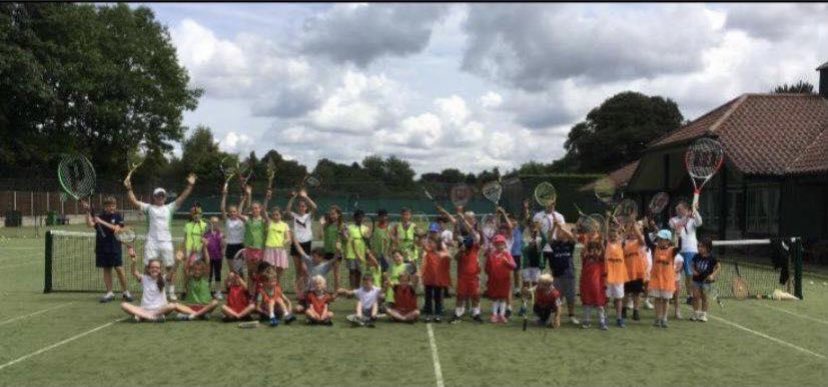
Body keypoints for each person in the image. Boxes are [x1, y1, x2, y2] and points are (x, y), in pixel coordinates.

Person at [125, 173, 196, 301]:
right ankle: (147, 290)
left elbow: (182, 198)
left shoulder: (170, 208)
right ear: (154, 197)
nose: (160, 197)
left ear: (165, 197)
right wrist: (129, 188)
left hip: (166, 242)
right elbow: (133, 201)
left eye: (162, 195)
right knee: (148, 267)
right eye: (158, 195)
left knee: (170, 267)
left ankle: (171, 292)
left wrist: (190, 185)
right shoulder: (148, 208)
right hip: (151, 242)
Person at [81, 197, 133, 303]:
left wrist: (101, 222)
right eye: (109, 206)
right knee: (106, 269)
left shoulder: (118, 216)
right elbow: (89, 224)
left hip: (114, 246)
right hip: (102, 246)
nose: (111, 208)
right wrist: (87, 213)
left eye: (113, 205)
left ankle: (125, 292)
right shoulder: (100, 216)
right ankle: (110, 292)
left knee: (119, 269)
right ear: (105, 207)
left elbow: (117, 228)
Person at [120, 254, 195, 322]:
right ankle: (152, 317)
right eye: (152, 267)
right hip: (144, 310)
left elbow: (172, 271)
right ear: (148, 269)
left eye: (157, 268)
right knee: (124, 305)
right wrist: (134, 262)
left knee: (172, 305)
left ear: (160, 270)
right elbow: (134, 272)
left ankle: (144, 316)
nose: (154, 269)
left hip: (160, 310)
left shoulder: (163, 278)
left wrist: (177, 262)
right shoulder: (144, 278)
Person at [450, 210, 484, 324]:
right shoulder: (462, 237)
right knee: (460, 294)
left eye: (470, 218)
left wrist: (462, 219)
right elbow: (456, 256)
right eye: (466, 218)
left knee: (476, 295)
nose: (467, 221)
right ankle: (458, 314)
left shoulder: (476, 234)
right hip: (462, 273)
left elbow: (473, 234)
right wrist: (460, 251)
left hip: (474, 273)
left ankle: (476, 313)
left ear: (474, 220)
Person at [669, 200, 703, 305]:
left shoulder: (692, 220)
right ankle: (672, 295)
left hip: (690, 250)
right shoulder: (673, 220)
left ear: (685, 209)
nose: (677, 211)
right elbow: (677, 225)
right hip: (677, 250)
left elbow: (699, 222)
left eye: (680, 209)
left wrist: (695, 210)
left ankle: (690, 296)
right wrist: (687, 215)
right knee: (674, 274)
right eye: (676, 209)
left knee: (689, 275)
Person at [548, 218, 580, 325]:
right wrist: (554, 227)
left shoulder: (569, 244)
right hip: (557, 275)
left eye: (560, 232)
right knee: (557, 297)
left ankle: (571, 315)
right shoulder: (553, 244)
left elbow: (572, 238)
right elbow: (549, 239)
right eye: (558, 232)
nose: (559, 233)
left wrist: (561, 227)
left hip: (569, 274)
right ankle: (557, 316)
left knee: (570, 297)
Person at [238, 184, 267, 296]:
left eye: (257, 208)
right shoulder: (248, 219)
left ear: (260, 209)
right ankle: (251, 294)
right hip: (249, 249)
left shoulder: (264, 221)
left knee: (259, 273)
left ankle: (258, 294)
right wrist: (245, 198)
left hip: (260, 249)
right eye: (253, 208)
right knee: (250, 273)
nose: (255, 210)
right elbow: (239, 213)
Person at [286, 189, 318, 290]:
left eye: (303, 206)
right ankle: (299, 291)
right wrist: (292, 198)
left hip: (306, 244)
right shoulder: (294, 216)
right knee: (298, 270)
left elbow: (315, 207)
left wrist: (305, 197)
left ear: (306, 208)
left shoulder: (309, 216)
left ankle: (308, 288)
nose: (301, 208)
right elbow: (287, 210)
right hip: (295, 244)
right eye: (300, 206)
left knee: (305, 268)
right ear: (297, 207)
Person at [649, 230, 680, 328]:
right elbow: (647, 241)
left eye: (662, 239)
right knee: (657, 299)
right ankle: (658, 318)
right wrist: (645, 227)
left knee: (666, 300)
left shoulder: (672, 250)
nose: (660, 241)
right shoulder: (655, 248)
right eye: (659, 239)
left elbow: (680, 247)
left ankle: (664, 318)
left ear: (667, 241)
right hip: (656, 279)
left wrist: (679, 235)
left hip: (667, 280)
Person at [292, 243, 334, 314]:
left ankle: (313, 308)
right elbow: (301, 251)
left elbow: (334, 259)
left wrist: (338, 251)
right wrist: (295, 240)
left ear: (321, 257)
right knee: (297, 309)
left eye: (315, 257)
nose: (313, 258)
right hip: (309, 292)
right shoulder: (310, 261)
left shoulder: (325, 266)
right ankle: (307, 308)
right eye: (313, 256)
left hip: (319, 294)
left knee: (318, 310)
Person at [485, 234, 516, 324]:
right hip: (494, 280)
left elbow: (514, 266)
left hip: (504, 280)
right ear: (494, 245)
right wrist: (490, 275)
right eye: (497, 244)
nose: (499, 246)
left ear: (504, 244)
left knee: (503, 297)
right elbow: (487, 268)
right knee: (495, 297)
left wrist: (507, 263)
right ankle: (494, 314)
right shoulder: (491, 255)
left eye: (501, 244)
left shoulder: (507, 254)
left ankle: (502, 315)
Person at [421, 236, 451, 323]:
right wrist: (423, 239)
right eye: (429, 242)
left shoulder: (442, 252)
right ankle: (428, 314)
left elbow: (449, 256)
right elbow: (423, 245)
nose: (430, 244)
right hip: (429, 279)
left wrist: (443, 254)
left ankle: (438, 314)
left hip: (438, 279)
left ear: (437, 244)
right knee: (428, 298)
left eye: (432, 242)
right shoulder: (428, 251)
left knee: (438, 298)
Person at [622, 221, 647, 322]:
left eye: (634, 231)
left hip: (638, 271)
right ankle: (623, 310)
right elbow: (623, 237)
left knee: (636, 293)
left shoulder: (640, 242)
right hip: (626, 271)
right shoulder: (625, 242)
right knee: (625, 293)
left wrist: (634, 226)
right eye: (631, 231)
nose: (632, 233)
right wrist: (629, 225)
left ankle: (636, 311)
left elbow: (640, 238)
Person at [690, 236, 720, 322]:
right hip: (696, 280)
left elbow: (718, 267)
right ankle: (695, 313)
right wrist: (694, 271)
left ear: (707, 248)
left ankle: (703, 315)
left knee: (705, 298)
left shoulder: (712, 258)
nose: (699, 248)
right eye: (698, 246)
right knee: (695, 296)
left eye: (701, 246)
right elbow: (692, 265)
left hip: (707, 282)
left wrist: (713, 275)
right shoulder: (696, 256)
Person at [604, 226, 629, 328]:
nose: (613, 237)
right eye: (611, 236)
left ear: (618, 236)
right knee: (606, 299)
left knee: (619, 299)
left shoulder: (621, 244)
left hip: (619, 276)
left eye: (615, 235)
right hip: (608, 276)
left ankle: (619, 318)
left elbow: (626, 233)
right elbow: (605, 231)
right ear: (608, 236)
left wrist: (631, 222)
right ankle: (604, 318)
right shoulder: (606, 244)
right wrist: (606, 220)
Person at [580, 240, 608, 330]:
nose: (594, 251)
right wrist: (587, 242)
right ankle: (586, 321)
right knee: (587, 304)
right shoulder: (586, 258)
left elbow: (604, 252)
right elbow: (583, 252)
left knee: (600, 305)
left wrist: (601, 243)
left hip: (598, 286)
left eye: (596, 249)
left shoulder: (600, 259)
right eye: (592, 249)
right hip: (586, 285)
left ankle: (602, 322)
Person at [220, 183, 247, 274]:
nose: (233, 213)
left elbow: (241, 209)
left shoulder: (242, 220)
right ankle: (232, 288)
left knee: (240, 270)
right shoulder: (227, 221)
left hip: (240, 246)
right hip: (230, 247)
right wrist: (224, 195)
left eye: (234, 211)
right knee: (232, 271)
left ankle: (241, 288)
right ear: (228, 213)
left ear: (237, 212)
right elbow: (222, 208)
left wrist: (244, 198)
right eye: (231, 212)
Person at [182, 204, 208, 295]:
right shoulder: (187, 225)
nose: (196, 215)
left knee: (201, 271)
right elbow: (185, 239)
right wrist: (185, 251)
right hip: (189, 251)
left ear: (201, 214)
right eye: (194, 213)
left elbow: (207, 239)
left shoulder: (205, 225)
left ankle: (201, 290)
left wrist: (204, 245)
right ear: (192, 215)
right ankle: (186, 290)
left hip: (201, 252)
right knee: (186, 270)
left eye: (198, 213)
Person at [264, 205, 291, 285]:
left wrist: (284, 241)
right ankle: (270, 289)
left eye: (277, 214)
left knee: (280, 270)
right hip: (270, 249)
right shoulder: (269, 223)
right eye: (274, 215)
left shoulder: (285, 225)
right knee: (270, 271)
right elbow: (263, 211)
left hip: (280, 250)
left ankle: (277, 288)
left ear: (281, 215)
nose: (275, 216)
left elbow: (288, 238)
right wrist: (267, 199)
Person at [344, 209, 370, 290]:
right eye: (358, 217)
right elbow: (345, 236)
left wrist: (367, 237)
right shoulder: (349, 227)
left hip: (360, 252)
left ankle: (358, 288)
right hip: (351, 251)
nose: (360, 219)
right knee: (352, 270)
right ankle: (352, 289)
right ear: (354, 218)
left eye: (361, 217)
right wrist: (344, 232)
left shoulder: (365, 228)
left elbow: (367, 239)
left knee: (359, 271)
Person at [321, 205, 346, 290]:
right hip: (327, 251)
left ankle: (336, 291)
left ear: (338, 214)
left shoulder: (342, 225)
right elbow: (320, 236)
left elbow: (346, 238)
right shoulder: (327, 225)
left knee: (336, 273)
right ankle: (322, 290)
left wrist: (343, 234)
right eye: (331, 214)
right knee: (322, 272)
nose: (332, 216)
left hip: (336, 252)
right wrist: (321, 225)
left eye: (334, 214)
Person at [202, 216, 225, 300]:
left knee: (218, 275)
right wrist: (204, 241)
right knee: (209, 275)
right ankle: (207, 291)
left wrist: (222, 239)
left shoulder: (220, 234)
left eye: (216, 222)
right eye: (212, 222)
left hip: (218, 257)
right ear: (209, 224)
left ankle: (218, 292)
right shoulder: (206, 234)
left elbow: (222, 246)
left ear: (218, 223)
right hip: (208, 258)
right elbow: (203, 246)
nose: (214, 224)